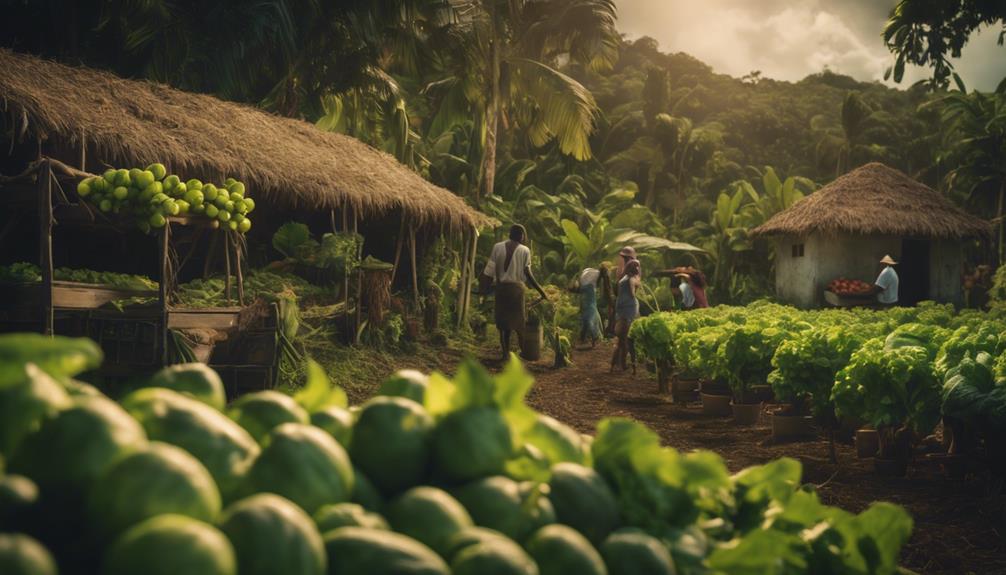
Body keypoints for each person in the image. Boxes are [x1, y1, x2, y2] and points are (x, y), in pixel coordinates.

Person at [482, 224, 549, 360]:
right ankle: (525, 353)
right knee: (519, 324)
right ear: (521, 236)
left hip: (501, 289)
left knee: (503, 325)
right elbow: (528, 273)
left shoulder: (497, 247)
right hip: (517, 291)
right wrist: (541, 291)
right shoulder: (525, 250)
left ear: (510, 234)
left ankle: (505, 354)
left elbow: (488, 271)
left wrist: (485, 289)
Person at [611, 259, 641, 374]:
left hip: (621, 309)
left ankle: (617, 365)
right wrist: (637, 283)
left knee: (621, 340)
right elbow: (633, 294)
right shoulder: (631, 279)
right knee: (627, 340)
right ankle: (624, 365)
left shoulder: (622, 280)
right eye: (637, 267)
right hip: (629, 310)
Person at [572, 267, 605, 348]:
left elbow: (578, 290)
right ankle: (584, 340)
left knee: (589, 323)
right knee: (587, 323)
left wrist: (573, 288)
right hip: (588, 306)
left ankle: (592, 340)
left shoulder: (589, 286)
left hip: (589, 307)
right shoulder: (591, 287)